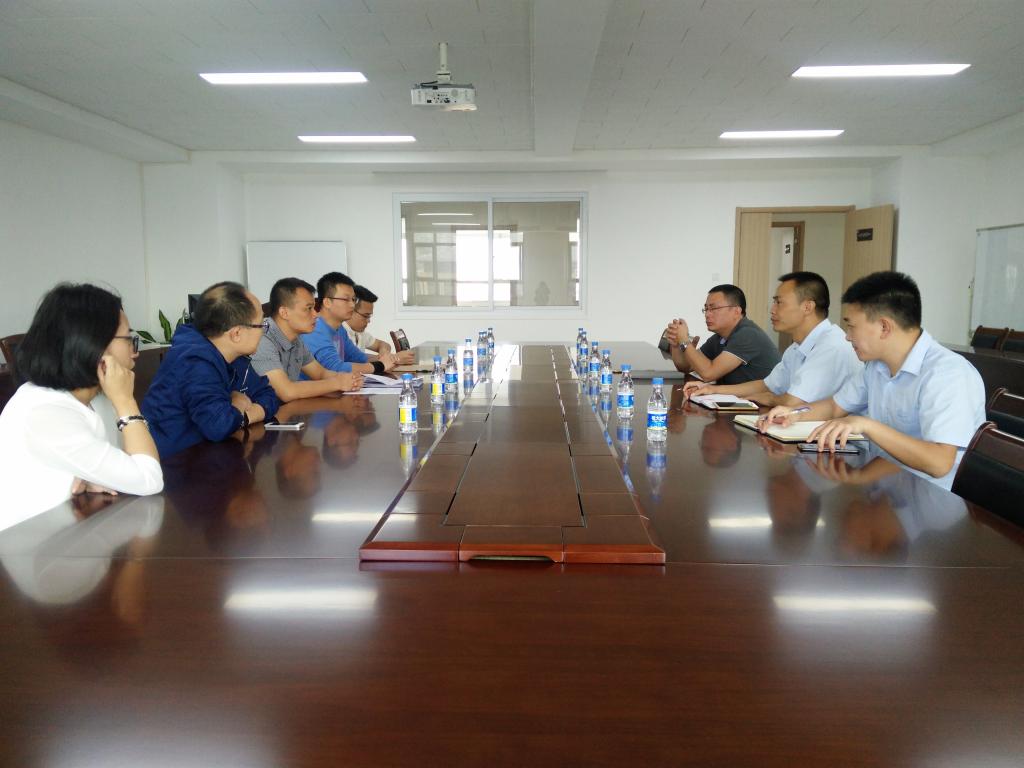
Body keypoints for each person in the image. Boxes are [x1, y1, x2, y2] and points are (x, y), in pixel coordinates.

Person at [760, 271, 985, 489]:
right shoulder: (876, 366)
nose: (847, 336)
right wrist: (794, 414)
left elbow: (939, 463)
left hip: (929, 499)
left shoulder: (947, 374)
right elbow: (835, 406)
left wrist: (867, 425)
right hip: (885, 483)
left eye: (852, 326)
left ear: (884, 327)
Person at [0, 283, 163, 531]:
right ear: (94, 345)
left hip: (69, 535)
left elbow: (132, 465)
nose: (135, 351)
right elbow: (149, 479)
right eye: (128, 338)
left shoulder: (93, 398)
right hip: (25, 546)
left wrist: (92, 475)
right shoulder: (46, 412)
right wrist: (126, 401)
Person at [142, 281, 279, 457]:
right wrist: (236, 407)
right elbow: (218, 425)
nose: (263, 331)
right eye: (261, 325)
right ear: (236, 334)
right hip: (177, 464)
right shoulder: (194, 361)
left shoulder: (233, 354)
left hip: (213, 455)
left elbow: (268, 395)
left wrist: (246, 415)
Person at [684, 272, 861, 406]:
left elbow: (792, 401)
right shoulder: (796, 348)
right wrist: (711, 389)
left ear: (807, 307)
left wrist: (766, 398)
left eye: (779, 302)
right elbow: (767, 385)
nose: (772, 309)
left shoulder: (831, 345)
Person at [250, 277, 363, 402]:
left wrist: (349, 379)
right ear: (284, 312)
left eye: (314, 308)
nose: (315, 314)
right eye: (308, 308)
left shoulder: (296, 339)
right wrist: (337, 383)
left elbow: (320, 374)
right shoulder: (261, 338)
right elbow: (286, 391)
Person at [666, 283, 781, 384]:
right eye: (706, 309)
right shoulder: (719, 338)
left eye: (713, 308)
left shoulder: (748, 335)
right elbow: (687, 367)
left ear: (736, 311)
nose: (707, 314)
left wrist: (685, 341)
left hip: (762, 401)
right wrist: (676, 344)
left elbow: (708, 374)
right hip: (736, 399)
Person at [302, 272, 398, 376]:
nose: (352, 305)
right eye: (346, 299)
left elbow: (357, 357)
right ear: (327, 302)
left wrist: (389, 359)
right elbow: (335, 368)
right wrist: (380, 365)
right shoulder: (315, 328)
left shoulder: (339, 329)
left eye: (353, 299)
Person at [345, 284, 415, 365]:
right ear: (350, 310)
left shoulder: (360, 333)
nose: (368, 321)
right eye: (365, 316)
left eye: (369, 316)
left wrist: (384, 352)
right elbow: (352, 360)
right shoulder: (340, 332)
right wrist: (394, 358)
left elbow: (383, 344)